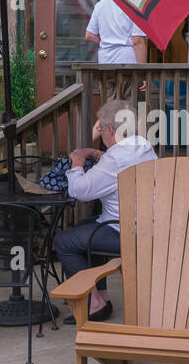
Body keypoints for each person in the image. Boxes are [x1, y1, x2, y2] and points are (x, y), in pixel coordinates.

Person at [53, 97, 157, 323]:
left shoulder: (115, 160)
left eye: (100, 128)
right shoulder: (143, 145)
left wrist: (78, 161)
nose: (99, 132)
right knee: (84, 228)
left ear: (110, 129)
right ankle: (100, 298)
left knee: (63, 241)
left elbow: (79, 191)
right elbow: (118, 165)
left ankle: (92, 305)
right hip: (149, 227)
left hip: (129, 233)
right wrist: (100, 155)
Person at [86, 0, 147, 65]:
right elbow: (137, 40)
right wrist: (142, 70)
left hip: (105, 58)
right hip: (127, 59)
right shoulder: (133, 5)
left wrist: (108, 42)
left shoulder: (100, 5)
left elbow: (90, 35)